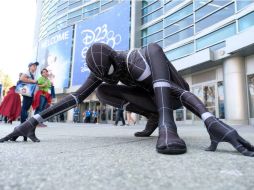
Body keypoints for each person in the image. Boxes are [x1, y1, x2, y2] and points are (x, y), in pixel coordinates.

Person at [1, 43, 254, 157]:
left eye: (110, 74)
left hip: (176, 95)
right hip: (152, 98)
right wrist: (32, 120)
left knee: (156, 56)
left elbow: (177, 92)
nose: (110, 78)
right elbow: (75, 98)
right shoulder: (102, 71)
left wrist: (209, 119)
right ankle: (155, 117)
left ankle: (165, 124)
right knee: (102, 92)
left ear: (114, 60)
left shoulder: (137, 58)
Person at [10, 62, 39, 141]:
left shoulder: (31, 74)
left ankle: (23, 126)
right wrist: (33, 81)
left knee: (25, 108)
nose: (35, 67)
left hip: (29, 93)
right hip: (27, 93)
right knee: (24, 108)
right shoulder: (26, 73)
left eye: (35, 66)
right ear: (29, 67)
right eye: (33, 66)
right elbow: (22, 78)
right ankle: (23, 124)